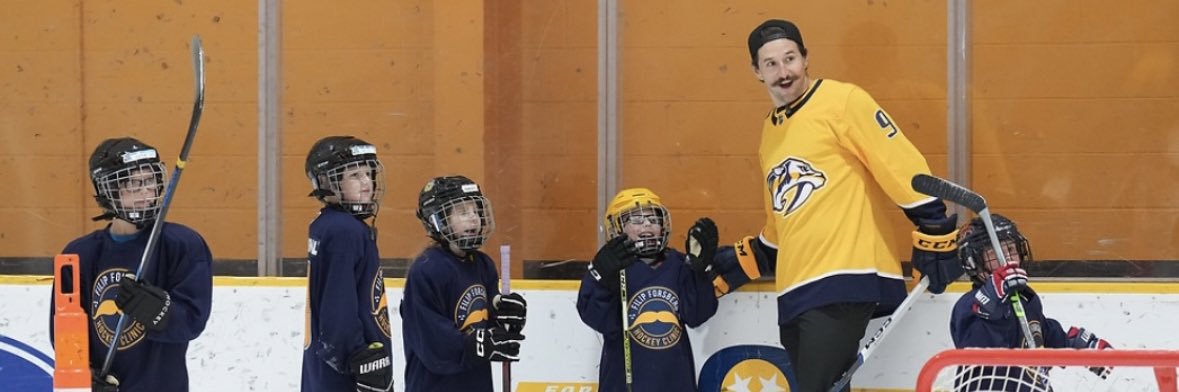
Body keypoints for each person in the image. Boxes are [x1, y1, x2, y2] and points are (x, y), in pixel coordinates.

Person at [706, 19, 966, 391]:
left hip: (843, 277)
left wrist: (933, 223)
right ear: (757, 72)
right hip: (796, 289)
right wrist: (748, 260)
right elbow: (781, 220)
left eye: (790, 58)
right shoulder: (770, 132)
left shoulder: (842, 101)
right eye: (771, 64)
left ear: (806, 58)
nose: (784, 72)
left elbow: (896, 160)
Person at [50, 137, 213, 391]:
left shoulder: (183, 245)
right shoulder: (80, 255)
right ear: (107, 190)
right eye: (132, 183)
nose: (145, 191)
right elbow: (64, 333)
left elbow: (192, 322)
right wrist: (84, 377)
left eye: (149, 181)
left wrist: (158, 310)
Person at [577, 188, 720, 392]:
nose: (647, 224)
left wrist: (700, 272)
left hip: (675, 384)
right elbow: (598, 319)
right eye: (636, 220)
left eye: (654, 219)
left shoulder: (679, 264)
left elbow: (697, 315)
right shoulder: (609, 268)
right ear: (617, 228)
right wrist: (602, 279)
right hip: (622, 384)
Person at [950, 214, 1113, 391]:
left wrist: (1074, 345)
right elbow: (977, 348)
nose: (1008, 258)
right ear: (974, 262)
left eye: (1011, 249)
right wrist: (990, 304)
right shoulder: (969, 305)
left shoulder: (1026, 298)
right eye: (995, 254)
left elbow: (1039, 333)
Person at [400, 175, 528, 391]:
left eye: (476, 211)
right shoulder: (427, 270)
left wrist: (507, 316)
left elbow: (488, 326)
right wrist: (479, 345)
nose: (473, 218)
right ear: (438, 220)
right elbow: (432, 343)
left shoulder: (483, 265)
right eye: (462, 212)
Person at [300, 136, 394, 392]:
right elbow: (338, 306)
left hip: (325, 373)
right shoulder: (345, 230)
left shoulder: (328, 224)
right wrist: (359, 359)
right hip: (348, 374)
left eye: (368, 173)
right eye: (354, 175)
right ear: (326, 181)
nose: (366, 183)